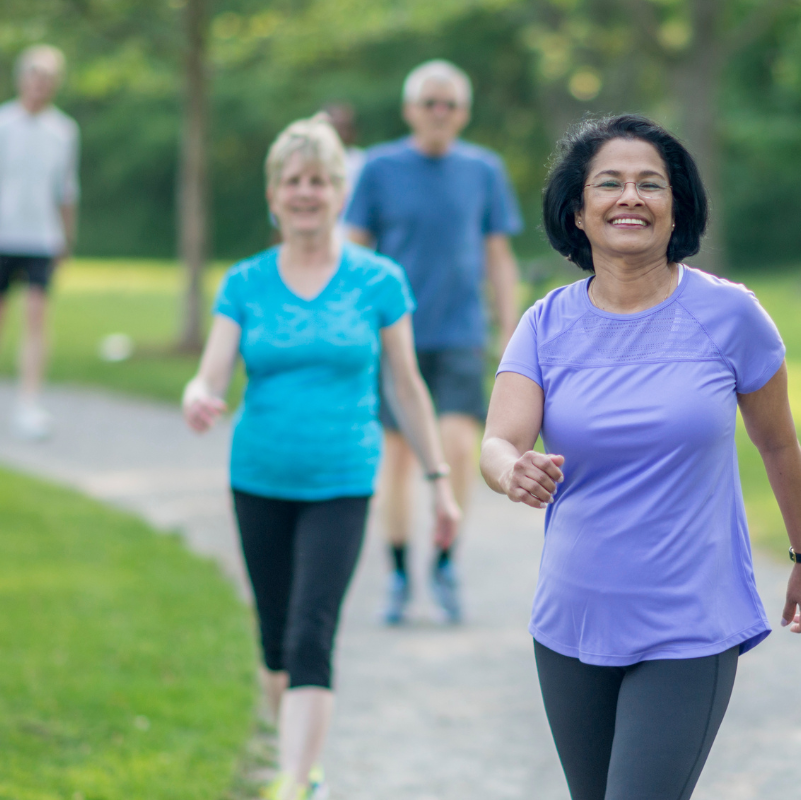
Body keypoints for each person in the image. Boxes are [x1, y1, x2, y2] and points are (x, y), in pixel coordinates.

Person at [480, 114, 801, 800]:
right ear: (578, 213)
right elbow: (498, 442)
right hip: (570, 623)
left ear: (678, 210)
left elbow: (778, 444)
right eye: (608, 183)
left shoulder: (731, 316)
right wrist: (509, 469)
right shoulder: (545, 324)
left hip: (690, 625)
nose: (630, 197)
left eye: (651, 184)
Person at [182, 115, 459, 800]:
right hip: (259, 478)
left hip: (341, 478)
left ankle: (296, 781)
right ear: (274, 195)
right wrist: (199, 394)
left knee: (311, 632)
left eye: (320, 181)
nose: (306, 193)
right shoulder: (245, 283)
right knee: (276, 642)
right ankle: (299, 765)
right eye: (293, 181)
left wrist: (440, 482)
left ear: (340, 193)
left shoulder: (378, 280)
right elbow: (212, 371)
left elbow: (405, 384)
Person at [346, 59, 523, 624]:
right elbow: (354, 250)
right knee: (397, 457)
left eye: (449, 104)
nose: (439, 113)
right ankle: (398, 571)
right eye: (430, 103)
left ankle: (445, 558)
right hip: (394, 337)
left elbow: (498, 256)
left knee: (455, 449)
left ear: (464, 113)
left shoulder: (484, 170)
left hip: (460, 333)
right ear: (410, 110)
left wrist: (512, 331)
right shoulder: (378, 168)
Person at [0, 44, 79, 439]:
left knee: (36, 318)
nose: (40, 84)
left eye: (48, 77)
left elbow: (66, 191)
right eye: (34, 75)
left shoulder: (64, 130)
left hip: (42, 238)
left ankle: (28, 401)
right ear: (22, 78)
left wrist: (66, 239)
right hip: (2, 236)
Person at [323, 101, 366, 243]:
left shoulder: (363, 164)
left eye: (345, 127)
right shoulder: (304, 164)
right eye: (335, 127)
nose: (341, 133)